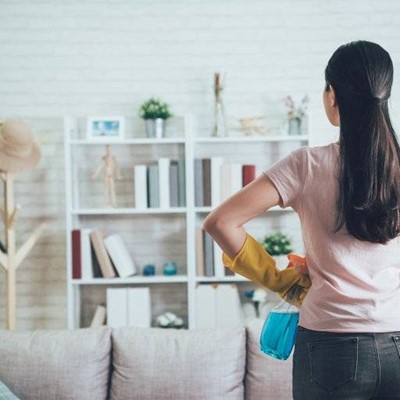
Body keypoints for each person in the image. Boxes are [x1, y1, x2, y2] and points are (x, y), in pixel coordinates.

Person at [203, 40, 400, 399]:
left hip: (330, 344)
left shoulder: (306, 165)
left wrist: (279, 280)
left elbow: (221, 222)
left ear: (331, 95)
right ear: (384, 96)